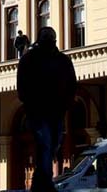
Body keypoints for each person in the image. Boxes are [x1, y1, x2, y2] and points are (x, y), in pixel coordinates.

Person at [16, 27, 76, 192]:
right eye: (46, 37)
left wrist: (67, 102)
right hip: (37, 111)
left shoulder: (63, 60)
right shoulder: (29, 59)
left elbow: (72, 82)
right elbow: (21, 82)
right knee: (46, 144)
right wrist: (27, 101)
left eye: (51, 37)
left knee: (54, 143)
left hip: (56, 110)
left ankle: (38, 179)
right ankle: (45, 183)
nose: (48, 40)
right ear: (40, 39)